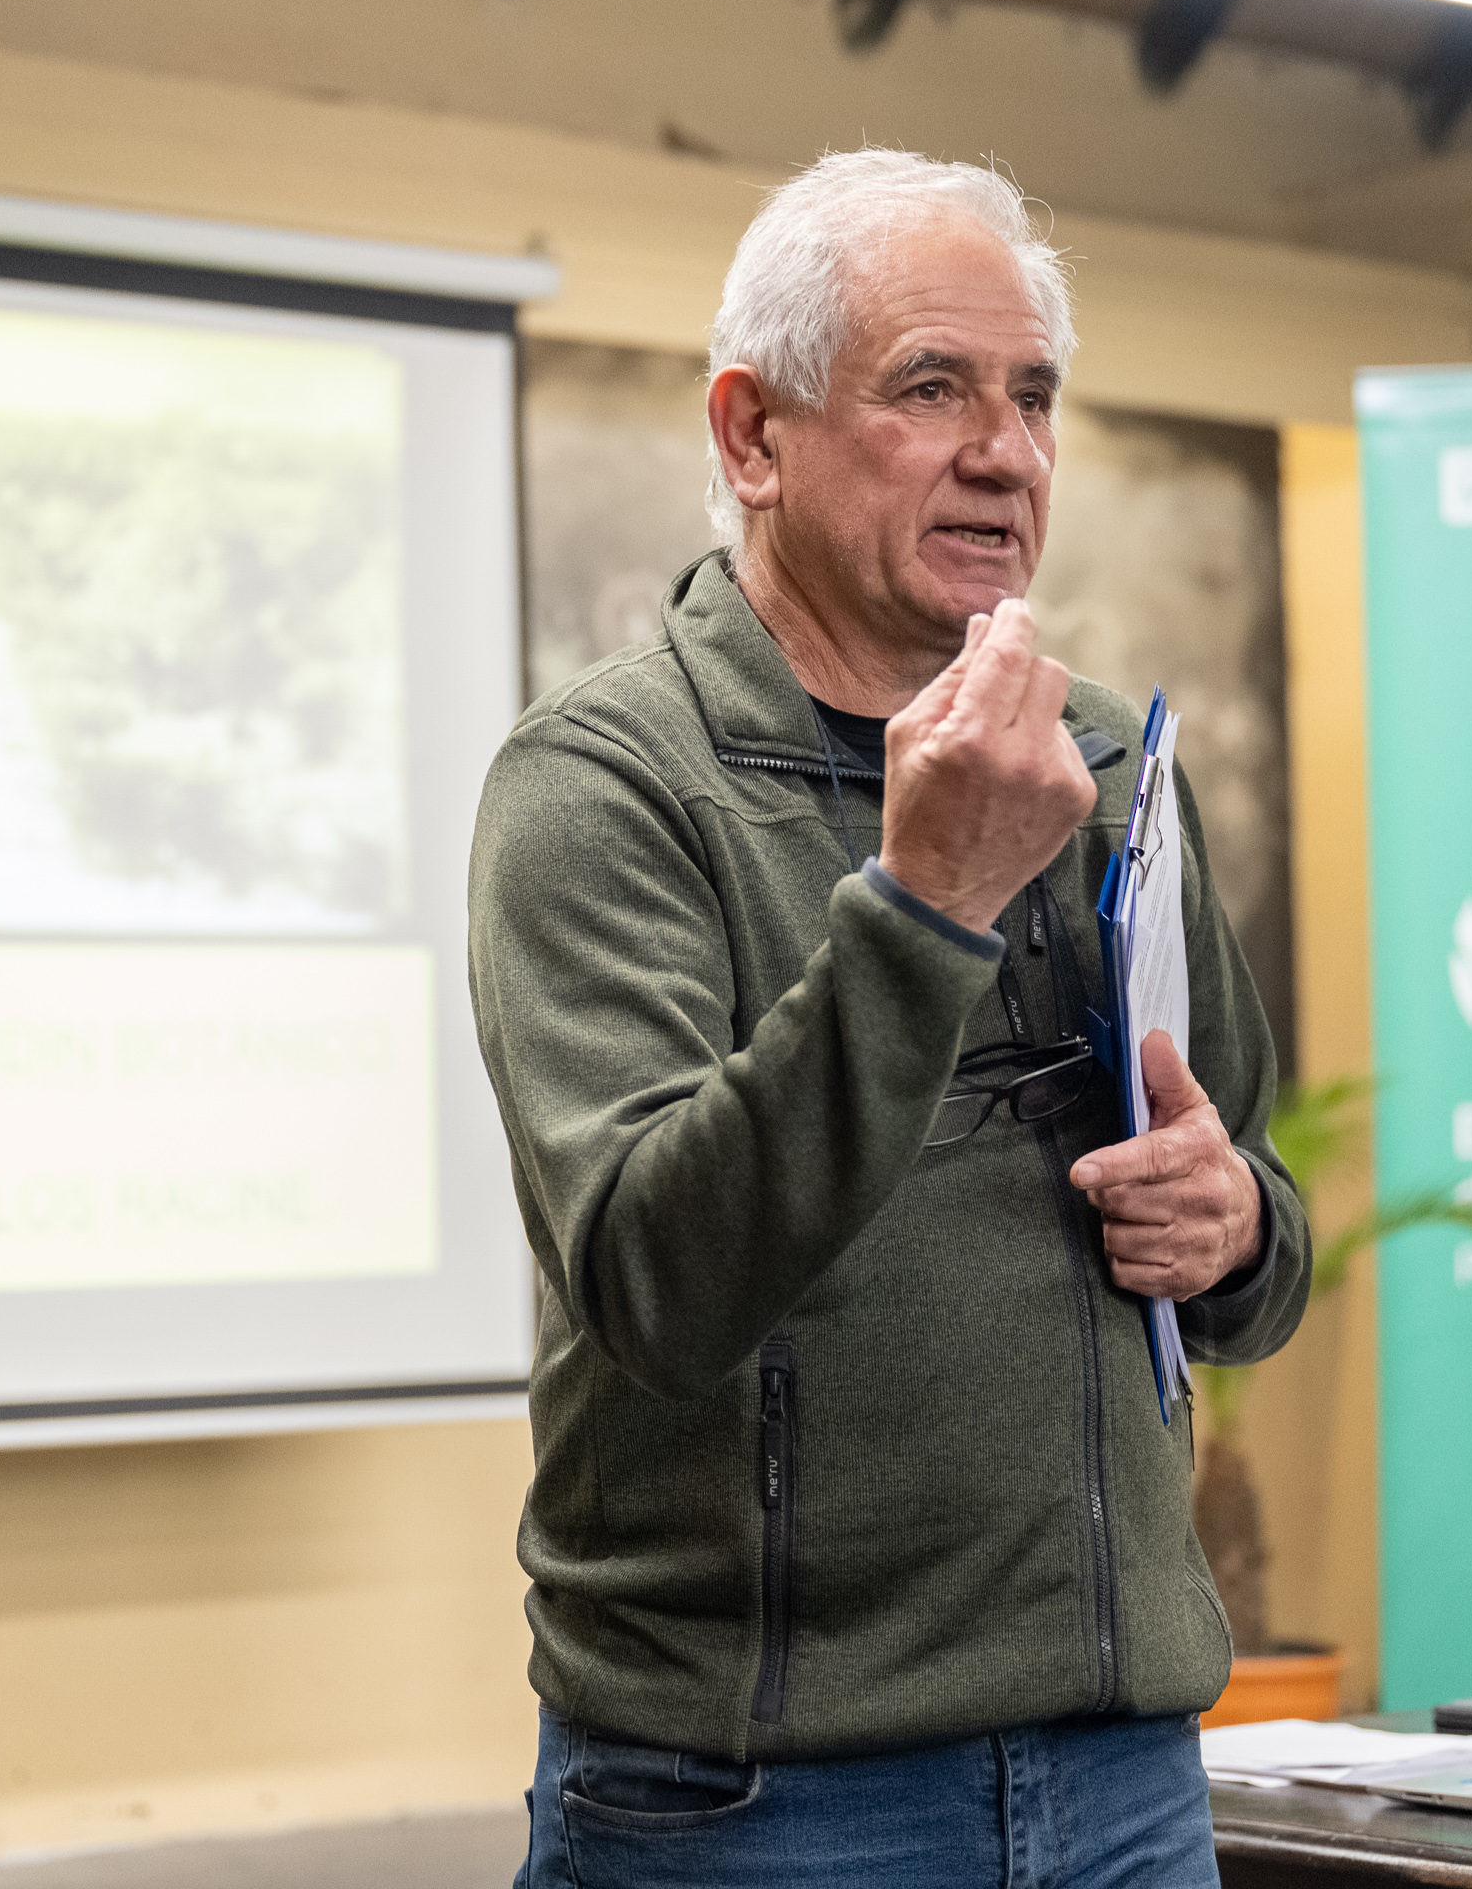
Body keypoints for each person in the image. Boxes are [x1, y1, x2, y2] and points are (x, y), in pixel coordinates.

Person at [467, 148, 1312, 1889]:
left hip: (1127, 1784)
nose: (1003, 450)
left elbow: (1258, 1235)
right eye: (930, 388)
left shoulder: (1098, 769)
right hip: (761, 1811)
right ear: (751, 438)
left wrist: (1227, 1229)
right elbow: (659, 1281)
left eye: (1031, 398)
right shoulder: (604, 788)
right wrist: (926, 907)